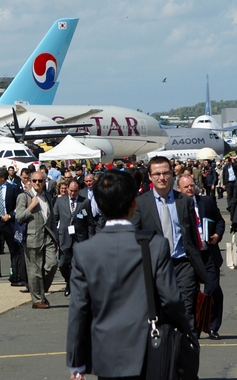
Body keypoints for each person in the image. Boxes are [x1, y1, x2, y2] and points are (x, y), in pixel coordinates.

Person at [66, 170, 193, 380]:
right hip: (148, 349)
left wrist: (76, 364)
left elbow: (78, 310)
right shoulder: (155, 245)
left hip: (105, 352)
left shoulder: (84, 251)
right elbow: (171, 299)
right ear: (134, 203)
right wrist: (186, 333)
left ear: (98, 203)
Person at [131, 156, 208, 333]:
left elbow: (191, 236)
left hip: (183, 264)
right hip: (155, 266)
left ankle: (187, 348)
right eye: (157, 174)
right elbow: (135, 237)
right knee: (159, 312)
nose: (162, 177)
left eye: (166, 173)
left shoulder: (185, 201)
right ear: (149, 177)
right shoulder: (141, 203)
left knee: (186, 310)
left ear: (172, 174)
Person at [177, 174, 225, 340]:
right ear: (179, 189)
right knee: (193, 292)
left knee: (212, 290)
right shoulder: (176, 206)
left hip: (209, 253)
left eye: (192, 185)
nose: (190, 189)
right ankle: (196, 327)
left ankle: (212, 327)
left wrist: (217, 235)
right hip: (190, 256)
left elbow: (219, 221)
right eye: (186, 187)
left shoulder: (206, 201)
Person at [15, 170, 57, 309]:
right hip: (32, 237)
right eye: (35, 181)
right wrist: (31, 206)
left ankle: (40, 292)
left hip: (48, 236)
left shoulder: (48, 197)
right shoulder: (24, 196)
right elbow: (19, 216)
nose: (37, 183)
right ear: (31, 182)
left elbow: (51, 219)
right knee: (34, 270)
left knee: (52, 264)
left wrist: (55, 238)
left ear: (45, 182)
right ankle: (38, 299)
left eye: (40, 181)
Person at [53, 179, 94, 297]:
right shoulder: (60, 201)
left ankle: (78, 287)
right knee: (62, 264)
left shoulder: (85, 202)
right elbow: (54, 218)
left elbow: (89, 222)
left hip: (79, 238)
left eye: (75, 191)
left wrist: (90, 239)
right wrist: (56, 235)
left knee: (78, 264)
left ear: (79, 190)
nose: (72, 193)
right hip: (65, 237)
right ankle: (69, 281)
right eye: (70, 191)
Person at [0, 166, 25, 284]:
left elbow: (18, 205)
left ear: (2, 177)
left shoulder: (13, 189)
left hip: (8, 222)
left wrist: (9, 215)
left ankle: (14, 273)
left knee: (13, 248)